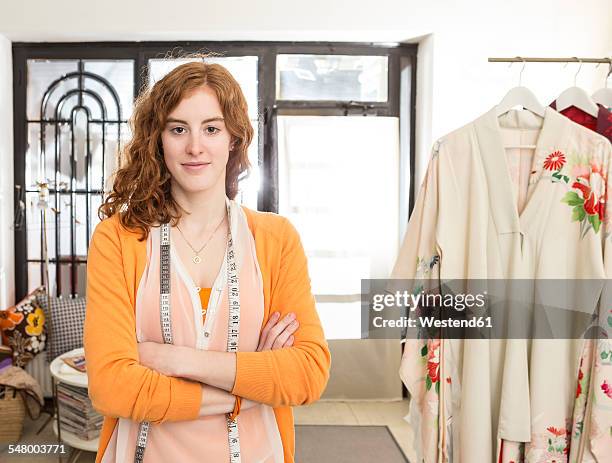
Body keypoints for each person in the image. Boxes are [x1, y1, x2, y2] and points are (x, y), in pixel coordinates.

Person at [83, 60, 331, 463]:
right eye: (178, 129)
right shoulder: (118, 238)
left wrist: (174, 360)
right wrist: (250, 385)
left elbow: (306, 373)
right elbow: (112, 386)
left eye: (211, 129)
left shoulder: (275, 239)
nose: (195, 146)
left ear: (233, 138)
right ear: (157, 140)